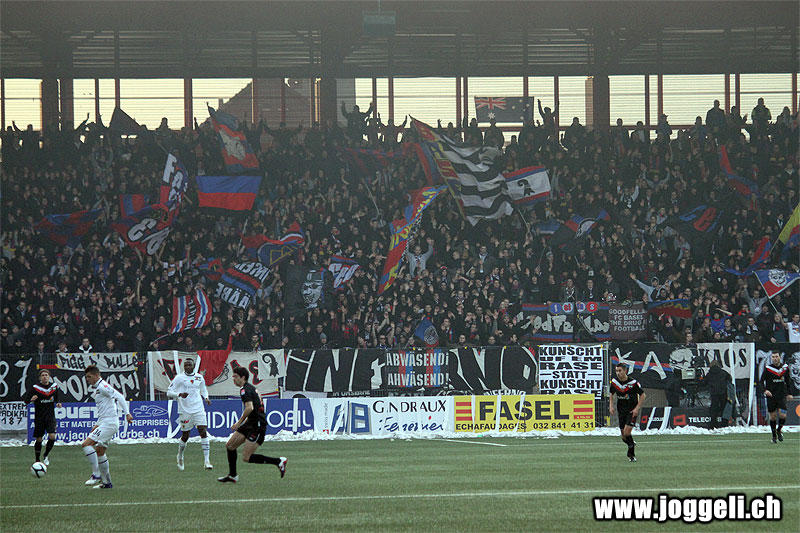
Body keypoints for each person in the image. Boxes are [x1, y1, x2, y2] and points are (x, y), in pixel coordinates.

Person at [217, 367, 286, 483]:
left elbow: (249, 407)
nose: (233, 379)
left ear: (243, 377)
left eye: (235, 376)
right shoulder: (250, 388)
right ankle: (233, 475)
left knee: (246, 457)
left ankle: (278, 461)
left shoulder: (245, 390)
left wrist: (238, 423)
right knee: (230, 446)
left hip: (257, 425)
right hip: (250, 423)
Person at [81, 365, 133, 488]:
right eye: (86, 377)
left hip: (109, 423)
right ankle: (107, 483)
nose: (87, 379)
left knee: (86, 444)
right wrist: (97, 424)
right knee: (100, 451)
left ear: (96, 375)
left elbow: (120, 396)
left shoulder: (103, 386)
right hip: (105, 422)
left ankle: (96, 475)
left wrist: (127, 413)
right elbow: (105, 409)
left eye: (89, 377)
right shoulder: (98, 388)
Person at [167, 357, 213, 470]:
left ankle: (207, 461)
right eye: (185, 365)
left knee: (203, 431)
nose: (187, 367)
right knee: (185, 435)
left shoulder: (199, 377)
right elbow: (169, 392)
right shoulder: (179, 378)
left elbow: (203, 389)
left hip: (198, 408)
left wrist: (206, 397)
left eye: (189, 365)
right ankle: (180, 455)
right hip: (185, 410)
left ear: (193, 366)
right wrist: (179, 395)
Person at [608, 363, 646, 462]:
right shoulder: (614, 382)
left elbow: (643, 395)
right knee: (623, 437)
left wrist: (637, 408)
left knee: (627, 432)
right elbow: (611, 393)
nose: (618, 373)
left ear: (625, 371)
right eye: (616, 371)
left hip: (631, 411)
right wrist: (611, 406)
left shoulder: (633, 383)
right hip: (621, 411)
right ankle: (631, 442)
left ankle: (631, 455)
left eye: (620, 370)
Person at [25, 368, 62, 465]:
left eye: (46, 375)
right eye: (43, 375)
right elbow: (26, 400)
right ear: (40, 378)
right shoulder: (35, 388)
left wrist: (58, 403)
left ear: (49, 377)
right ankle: (37, 459)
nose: (45, 377)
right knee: (39, 439)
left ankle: (46, 454)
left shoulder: (54, 387)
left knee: (52, 436)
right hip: (39, 417)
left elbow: (57, 398)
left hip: (50, 416)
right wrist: (31, 399)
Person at [758, 352, 793, 443]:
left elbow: (788, 382)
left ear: (779, 357)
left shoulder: (785, 368)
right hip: (771, 396)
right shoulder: (768, 369)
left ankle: (779, 430)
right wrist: (765, 390)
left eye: (776, 356)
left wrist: (789, 393)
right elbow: (761, 382)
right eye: (773, 357)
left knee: (783, 415)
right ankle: (774, 435)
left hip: (781, 396)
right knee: (773, 417)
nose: (775, 358)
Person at [704, 360, 731, 429]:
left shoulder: (709, 374)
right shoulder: (723, 372)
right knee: (723, 408)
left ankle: (713, 424)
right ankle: (724, 423)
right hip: (723, 392)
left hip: (714, 393)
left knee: (714, 409)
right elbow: (729, 378)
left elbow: (704, 382)